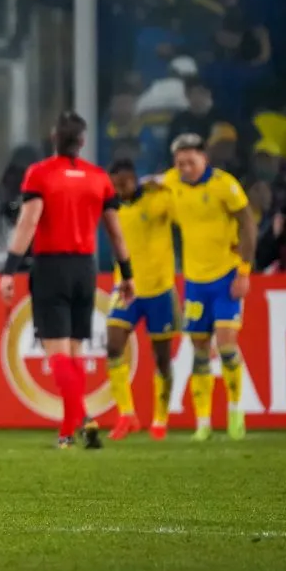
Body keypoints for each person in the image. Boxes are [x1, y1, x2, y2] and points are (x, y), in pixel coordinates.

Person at [0, 111, 135, 449]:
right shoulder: (99, 178)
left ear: (54, 138)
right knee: (74, 353)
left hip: (51, 267)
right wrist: (127, 274)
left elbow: (28, 222)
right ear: (83, 141)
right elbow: (116, 233)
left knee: (57, 353)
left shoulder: (40, 174)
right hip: (85, 269)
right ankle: (68, 430)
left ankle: (85, 419)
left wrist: (9, 269)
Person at [160, 134, 256, 441]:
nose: (185, 168)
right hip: (194, 281)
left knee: (226, 345)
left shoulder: (224, 185)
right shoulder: (169, 183)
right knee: (199, 350)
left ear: (205, 159)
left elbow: (248, 225)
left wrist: (244, 271)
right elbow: (146, 191)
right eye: (180, 163)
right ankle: (203, 423)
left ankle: (236, 411)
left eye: (191, 162)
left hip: (226, 276)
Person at [103, 160, 177, 441]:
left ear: (135, 179)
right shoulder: (112, 207)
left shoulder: (158, 199)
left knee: (162, 358)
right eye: (115, 185)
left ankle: (160, 419)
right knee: (113, 346)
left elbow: (180, 205)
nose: (119, 189)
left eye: (123, 183)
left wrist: (163, 183)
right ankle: (126, 415)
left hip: (160, 290)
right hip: (126, 288)